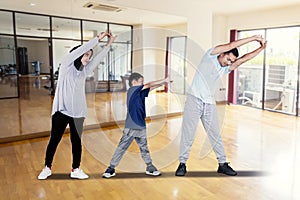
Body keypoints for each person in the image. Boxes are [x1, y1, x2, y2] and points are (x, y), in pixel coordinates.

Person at [175, 35, 267, 176]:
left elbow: (243, 59)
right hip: (194, 100)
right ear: (222, 53)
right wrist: (253, 38)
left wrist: (261, 48)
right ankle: (182, 164)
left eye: (231, 61)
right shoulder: (210, 55)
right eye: (228, 59)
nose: (228, 62)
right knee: (189, 133)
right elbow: (231, 44)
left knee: (215, 134)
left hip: (209, 103)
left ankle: (222, 164)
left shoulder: (225, 69)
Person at [38, 31, 116, 180]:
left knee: (77, 142)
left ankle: (76, 169)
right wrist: (97, 39)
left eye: (89, 55)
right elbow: (81, 50)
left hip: (78, 113)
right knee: (54, 139)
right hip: (61, 111)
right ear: (77, 54)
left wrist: (108, 44)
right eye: (86, 55)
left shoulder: (84, 71)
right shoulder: (66, 65)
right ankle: (47, 167)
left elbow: (97, 59)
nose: (88, 58)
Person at [102, 72, 172, 178]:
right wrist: (164, 80)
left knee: (144, 148)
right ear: (133, 82)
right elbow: (148, 85)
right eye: (141, 82)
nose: (142, 84)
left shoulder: (139, 92)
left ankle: (149, 167)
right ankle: (111, 168)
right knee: (122, 147)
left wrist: (163, 84)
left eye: (142, 82)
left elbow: (150, 88)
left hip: (141, 126)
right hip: (131, 126)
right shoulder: (132, 90)